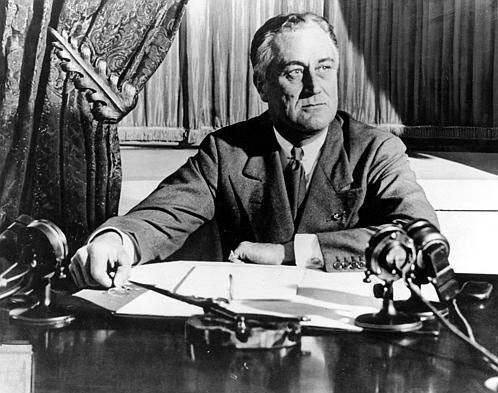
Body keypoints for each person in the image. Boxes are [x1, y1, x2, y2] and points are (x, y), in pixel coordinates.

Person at [70, 12, 438, 289]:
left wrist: (289, 253)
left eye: (324, 68)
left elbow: (419, 236)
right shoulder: (226, 151)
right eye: (295, 72)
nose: (314, 86)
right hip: (253, 338)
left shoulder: (376, 150)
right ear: (261, 85)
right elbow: (162, 215)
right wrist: (115, 240)